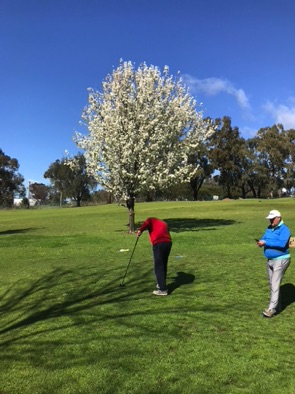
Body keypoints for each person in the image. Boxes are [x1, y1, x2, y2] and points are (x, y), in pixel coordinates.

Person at [256, 209, 291, 318]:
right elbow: (264, 238)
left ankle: (271, 309)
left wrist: (266, 242)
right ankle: (277, 306)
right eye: (270, 219)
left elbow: (281, 244)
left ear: (278, 218)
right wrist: (261, 242)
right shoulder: (269, 229)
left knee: (275, 284)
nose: (270, 221)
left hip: (281, 260)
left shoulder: (285, 230)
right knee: (272, 284)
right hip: (270, 260)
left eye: (272, 219)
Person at [137, 217, 172, 296]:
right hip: (168, 243)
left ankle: (162, 289)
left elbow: (146, 223)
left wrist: (140, 230)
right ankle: (161, 284)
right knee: (163, 264)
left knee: (158, 266)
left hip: (159, 243)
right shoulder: (163, 223)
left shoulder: (150, 219)